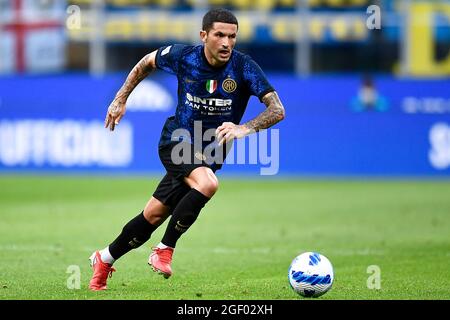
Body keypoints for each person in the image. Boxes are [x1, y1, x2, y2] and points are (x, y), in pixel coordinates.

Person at [89, 8, 285, 291]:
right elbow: (147, 62)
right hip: (177, 141)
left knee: (153, 215)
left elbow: (277, 109)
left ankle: (104, 258)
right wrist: (120, 99)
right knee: (207, 183)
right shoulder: (185, 56)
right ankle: (164, 249)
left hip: (210, 155)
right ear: (204, 35)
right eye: (219, 35)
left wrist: (245, 129)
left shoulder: (244, 67)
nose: (227, 43)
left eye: (232, 36)